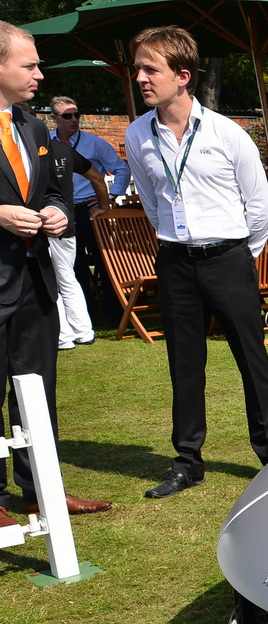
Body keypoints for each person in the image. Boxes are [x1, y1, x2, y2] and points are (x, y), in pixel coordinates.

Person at [124, 25, 268, 499]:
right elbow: (153, 202)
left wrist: (236, 257)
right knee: (184, 365)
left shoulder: (225, 133)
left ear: (183, 76)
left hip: (229, 259)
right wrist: (182, 246)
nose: (140, 78)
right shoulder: (138, 134)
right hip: (174, 262)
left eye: (151, 69)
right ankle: (187, 461)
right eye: (137, 68)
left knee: (251, 359)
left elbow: (261, 208)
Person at [0, 22, 110, 524]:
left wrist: (57, 211)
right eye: (30, 65)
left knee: (39, 387)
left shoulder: (31, 126)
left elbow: (47, 189)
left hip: (35, 279)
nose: (40, 74)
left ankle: (41, 488)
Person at [47, 94, 128, 319]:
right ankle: (85, 313)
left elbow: (121, 169)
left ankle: (114, 311)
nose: (74, 119)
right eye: (67, 116)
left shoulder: (95, 143)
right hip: (62, 210)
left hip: (89, 210)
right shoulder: (46, 142)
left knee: (104, 260)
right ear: (54, 117)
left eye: (77, 114)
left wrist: (110, 196)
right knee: (73, 265)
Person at [46, 134, 109, 350]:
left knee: (50, 281)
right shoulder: (63, 150)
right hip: (66, 219)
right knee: (68, 278)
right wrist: (104, 205)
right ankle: (83, 332)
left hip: (43, 222)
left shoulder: (23, 150)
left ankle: (63, 337)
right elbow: (97, 177)